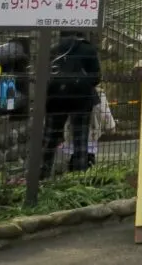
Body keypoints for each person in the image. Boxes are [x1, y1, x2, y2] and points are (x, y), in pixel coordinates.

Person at [40, 30, 101, 177]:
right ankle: (79, 175)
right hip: (81, 99)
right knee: (80, 138)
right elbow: (96, 77)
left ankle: (42, 173)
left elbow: (45, 76)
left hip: (56, 99)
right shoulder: (88, 49)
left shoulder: (54, 49)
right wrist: (83, 84)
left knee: (50, 137)